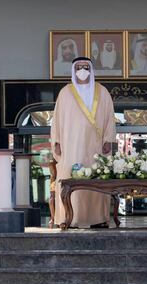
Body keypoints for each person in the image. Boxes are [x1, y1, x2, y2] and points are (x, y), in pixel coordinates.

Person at [50, 57, 115, 228]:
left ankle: (98, 218)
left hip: (95, 146)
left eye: (86, 67)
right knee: (71, 179)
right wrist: (56, 141)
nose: (82, 70)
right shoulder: (65, 92)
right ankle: (69, 218)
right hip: (71, 146)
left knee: (95, 180)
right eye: (78, 67)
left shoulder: (102, 92)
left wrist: (108, 139)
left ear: (91, 69)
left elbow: (110, 118)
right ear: (73, 70)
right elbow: (56, 119)